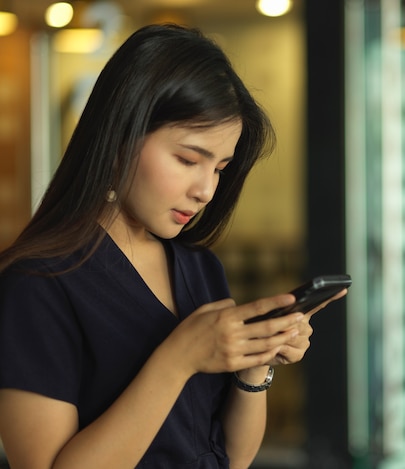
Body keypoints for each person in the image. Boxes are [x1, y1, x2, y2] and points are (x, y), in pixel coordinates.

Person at [0, 23, 346, 469]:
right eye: (187, 159)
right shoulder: (37, 285)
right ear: (120, 137)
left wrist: (254, 364)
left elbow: (233, 458)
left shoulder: (200, 269)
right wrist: (177, 360)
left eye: (220, 168)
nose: (205, 190)